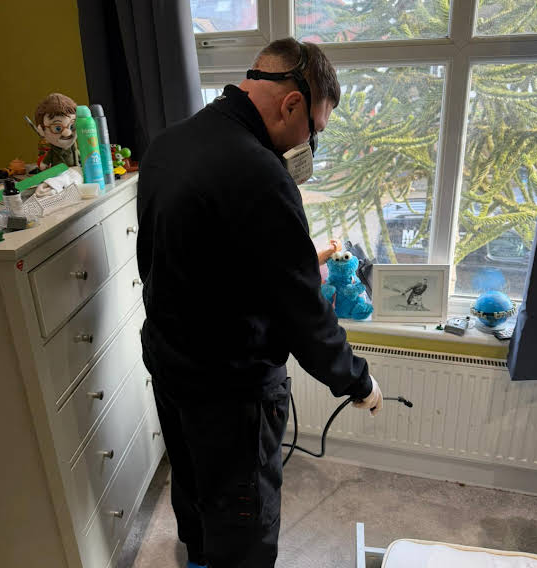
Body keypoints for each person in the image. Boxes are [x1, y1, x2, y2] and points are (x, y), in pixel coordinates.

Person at [137, 37, 383, 568]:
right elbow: (302, 311)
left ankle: (198, 558)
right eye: (315, 129)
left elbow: (170, 257)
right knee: (244, 521)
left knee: (194, 484)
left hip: (169, 359)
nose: (311, 143)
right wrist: (356, 380)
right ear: (292, 104)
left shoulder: (169, 144)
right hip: (232, 387)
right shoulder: (259, 172)